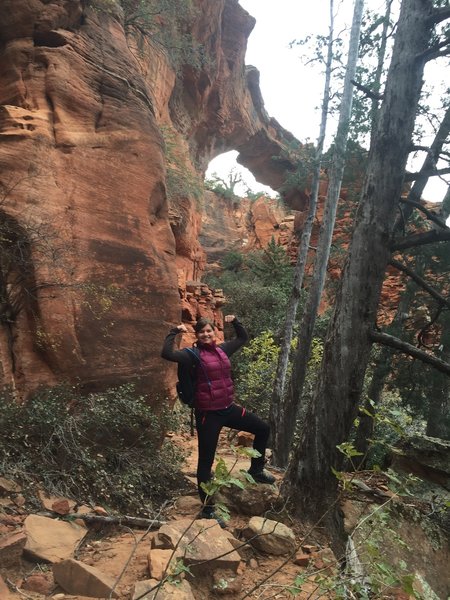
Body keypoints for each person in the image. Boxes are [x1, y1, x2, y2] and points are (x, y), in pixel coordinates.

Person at [161, 314, 275, 522]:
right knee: (206, 461)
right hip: (208, 415)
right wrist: (174, 331)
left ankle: (257, 469)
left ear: (214, 333)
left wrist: (236, 321)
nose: (206, 334)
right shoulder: (191, 355)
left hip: (228, 409)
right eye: (202, 332)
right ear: (197, 335)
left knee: (262, 428)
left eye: (209, 331)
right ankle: (207, 509)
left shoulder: (222, 350)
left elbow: (242, 338)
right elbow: (167, 353)